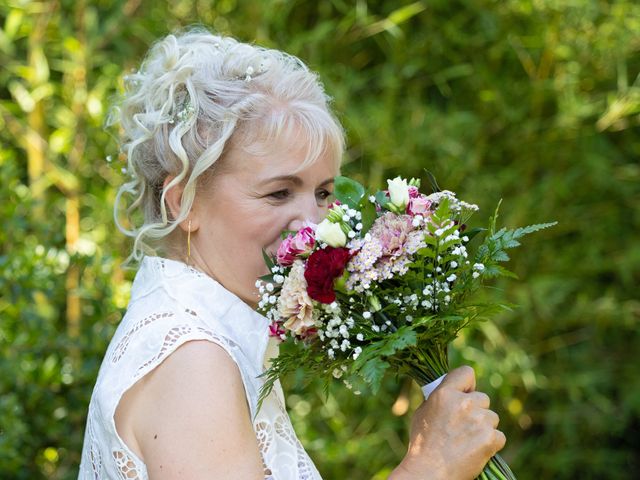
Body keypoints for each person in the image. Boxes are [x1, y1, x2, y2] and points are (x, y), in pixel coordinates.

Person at [79, 28, 505, 480]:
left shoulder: (208, 336)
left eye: (322, 192)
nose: (314, 225)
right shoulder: (189, 358)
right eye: (279, 192)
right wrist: (431, 464)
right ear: (183, 203)